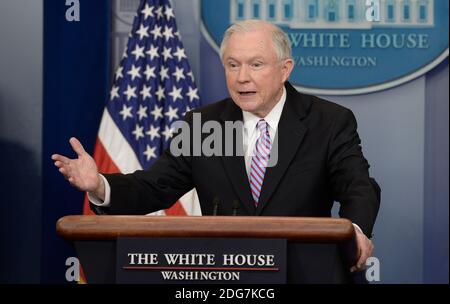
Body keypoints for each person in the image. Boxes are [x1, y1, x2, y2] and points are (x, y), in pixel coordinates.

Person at [52, 20, 380, 283]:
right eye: (232, 64)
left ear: (285, 69)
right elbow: (154, 187)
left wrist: (357, 230)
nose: (242, 78)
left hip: (307, 272)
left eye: (256, 64)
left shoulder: (329, 121)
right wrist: (99, 186)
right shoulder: (201, 124)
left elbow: (359, 186)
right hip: (225, 279)